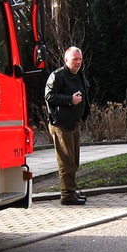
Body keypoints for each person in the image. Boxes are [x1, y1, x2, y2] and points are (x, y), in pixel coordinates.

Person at [45, 46, 90, 205]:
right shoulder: (57, 76)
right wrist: (70, 99)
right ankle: (67, 195)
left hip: (74, 122)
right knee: (66, 162)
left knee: (74, 160)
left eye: (80, 59)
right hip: (61, 124)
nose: (78, 62)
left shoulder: (79, 74)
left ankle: (72, 191)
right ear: (66, 60)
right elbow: (49, 96)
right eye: (74, 59)